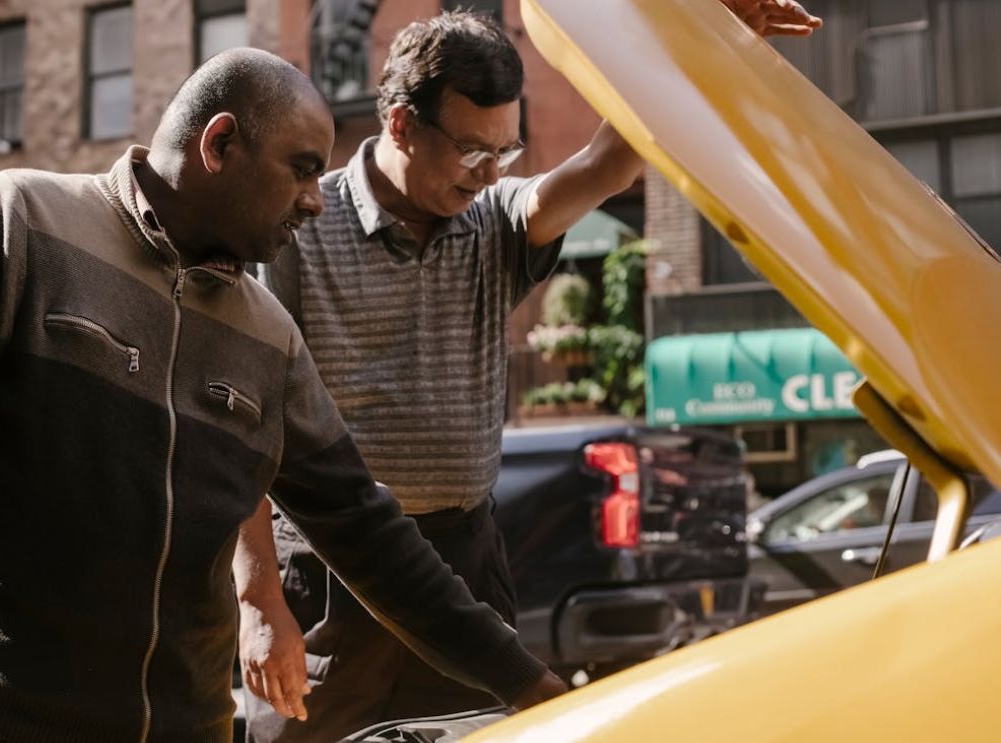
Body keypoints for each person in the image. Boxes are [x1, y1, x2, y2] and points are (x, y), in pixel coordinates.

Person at [0, 48, 565, 743]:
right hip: (2, 718)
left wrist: (528, 684)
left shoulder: (268, 336)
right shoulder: (17, 222)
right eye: (302, 170)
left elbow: (366, 528)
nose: (316, 201)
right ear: (220, 143)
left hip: (187, 726)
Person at [235, 3, 822, 741]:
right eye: (472, 151)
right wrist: (257, 598)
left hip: (464, 562)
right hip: (329, 570)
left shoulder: (496, 221)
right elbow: (247, 418)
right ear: (399, 125)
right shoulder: (299, 226)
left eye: (505, 152)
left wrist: (705, 38)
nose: (488, 174)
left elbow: (606, 163)